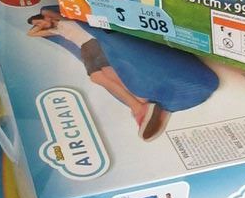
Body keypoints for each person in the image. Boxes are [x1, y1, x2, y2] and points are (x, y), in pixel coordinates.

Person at [27, 8, 170, 141]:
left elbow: (46, 11)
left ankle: (140, 105)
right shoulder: (55, 30)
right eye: (37, 25)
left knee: (108, 71)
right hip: (84, 48)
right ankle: (141, 106)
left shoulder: (63, 19)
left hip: (93, 41)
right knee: (96, 77)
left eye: (39, 22)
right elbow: (31, 34)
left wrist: (46, 18)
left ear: (46, 17)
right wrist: (41, 24)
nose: (40, 26)